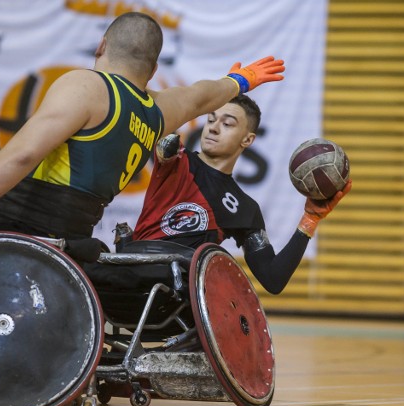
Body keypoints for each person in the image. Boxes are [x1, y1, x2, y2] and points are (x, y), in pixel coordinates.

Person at [0, 12, 285, 354]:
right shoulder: (158, 111)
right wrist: (241, 81)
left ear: (101, 46)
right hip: (69, 241)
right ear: (153, 68)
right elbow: (202, 94)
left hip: (11, 233)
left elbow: (22, 155)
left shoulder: (86, 85)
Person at [131, 94, 352, 294]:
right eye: (210, 119)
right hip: (134, 269)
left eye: (227, 123)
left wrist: (310, 220)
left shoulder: (245, 209)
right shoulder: (176, 159)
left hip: (178, 293)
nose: (213, 128)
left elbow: (273, 279)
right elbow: (156, 113)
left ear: (247, 140)